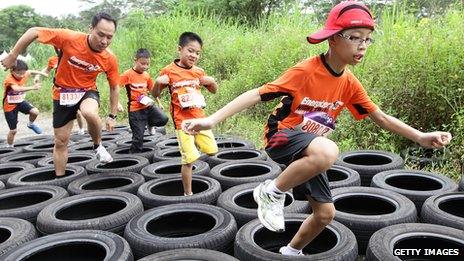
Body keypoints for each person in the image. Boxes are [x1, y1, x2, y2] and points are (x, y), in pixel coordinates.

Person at [182, 1, 452, 256]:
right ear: (333, 38)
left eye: (367, 39)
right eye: (355, 37)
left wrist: (420, 136)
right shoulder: (307, 70)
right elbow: (258, 94)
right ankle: (271, 191)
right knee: (327, 150)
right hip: (281, 136)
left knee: (325, 214)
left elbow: (379, 117)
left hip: (309, 151)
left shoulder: (349, 83)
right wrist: (212, 120)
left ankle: (290, 252)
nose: (363, 45)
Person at [1, 12, 121, 177]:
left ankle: (97, 145)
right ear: (90, 29)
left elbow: (115, 87)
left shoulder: (110, 58)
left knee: (89, 113)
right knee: (61, 141)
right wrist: (13, 55)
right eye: (100, 34)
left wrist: (112, 115)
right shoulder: (69, 38)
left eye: (109, 37)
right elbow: (34, 31)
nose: (104, 41)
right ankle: (60, 178)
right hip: (62, 93)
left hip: (87, 91)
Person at [155, 32, 218, 196]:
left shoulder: (198, 72)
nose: (194, 55)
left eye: (197, 53)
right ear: (180, 49)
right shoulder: (168, 71)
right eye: (190, 51)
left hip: (200, 119)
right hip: (182, 122)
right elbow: (155, 93)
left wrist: (212, 82)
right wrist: (157, 83)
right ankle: (188, 193)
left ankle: (192, 147)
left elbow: (213, 91)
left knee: (212, 151)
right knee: (189, 160)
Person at [120, 48, 168, 153]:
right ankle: (133, 158)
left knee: (163, 119)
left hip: (148, 106)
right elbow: (115, 87)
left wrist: (159, 103)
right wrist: (117, 103)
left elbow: (152, 90)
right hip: (135, 110)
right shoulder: (127, 74)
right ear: (135, 60)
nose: (145, 67)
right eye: (142, 64)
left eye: (147, 64)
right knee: (138, 139)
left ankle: (150, 123)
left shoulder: (146, 75)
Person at [2, 59, 47, 147]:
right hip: (10, 106)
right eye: (19, 74)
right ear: (12, 71)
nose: (22, 76)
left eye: (23, 73)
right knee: (13, 131)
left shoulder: (24, 73)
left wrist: (42, 74)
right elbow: (16, 89)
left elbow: (31, 71)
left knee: (35, 112)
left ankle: (30, 124)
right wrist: (33, 87)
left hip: (20, 102)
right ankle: (9, 146)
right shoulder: (9, 79)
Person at [39, 52, 86, 135]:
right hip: (60, 91)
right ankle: (63, 133)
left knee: (78, 112)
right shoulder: (53, 59)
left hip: (74, 89)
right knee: (63, 113)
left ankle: (81, 129)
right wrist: (38, 76)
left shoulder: (75, 57)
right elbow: (47, 70)